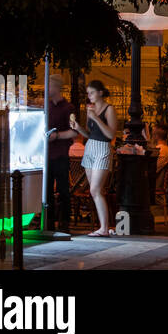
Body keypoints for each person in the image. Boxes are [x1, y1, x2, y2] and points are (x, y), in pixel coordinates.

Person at [68, 80, 117, 236]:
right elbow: (90, 134)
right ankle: (101, 226)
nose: (89, 96)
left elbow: (110, 135)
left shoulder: (109, 109)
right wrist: (78, 128)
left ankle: (104, 228)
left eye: (92, 92)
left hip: (103, 148)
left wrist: (96, 118)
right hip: (90, 147)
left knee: (95, 189)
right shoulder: (91, 110)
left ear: (100, 93)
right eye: (88, 93)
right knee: (95, 191)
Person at [44, 74, 75, 234]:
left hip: (61, 154)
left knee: (63, 189)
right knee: (47, 189)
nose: (46, 89)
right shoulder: (47, 106)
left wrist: (57, 136)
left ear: (56, 87)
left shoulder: (68, 108)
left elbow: (74, 131)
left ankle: (64, 222)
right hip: (46, 154)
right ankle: (49, 220)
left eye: (49, 86)